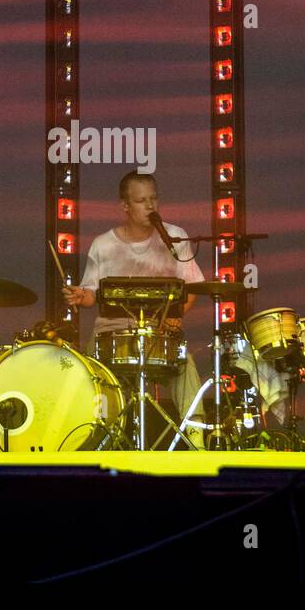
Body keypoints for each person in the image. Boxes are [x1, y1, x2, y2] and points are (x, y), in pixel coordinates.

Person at [62, 171, 207, 447]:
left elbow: (193, 287)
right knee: (91, 374)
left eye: (154, 199)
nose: (151, 206)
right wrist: (82, 297)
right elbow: (92, 293)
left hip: (159, 333)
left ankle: (196, 437)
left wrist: (176, 317)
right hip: (112, 334)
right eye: (142, 201)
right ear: (125, 206)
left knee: (184, 364)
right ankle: (96, 439)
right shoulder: (103, 244)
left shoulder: (175, 237)